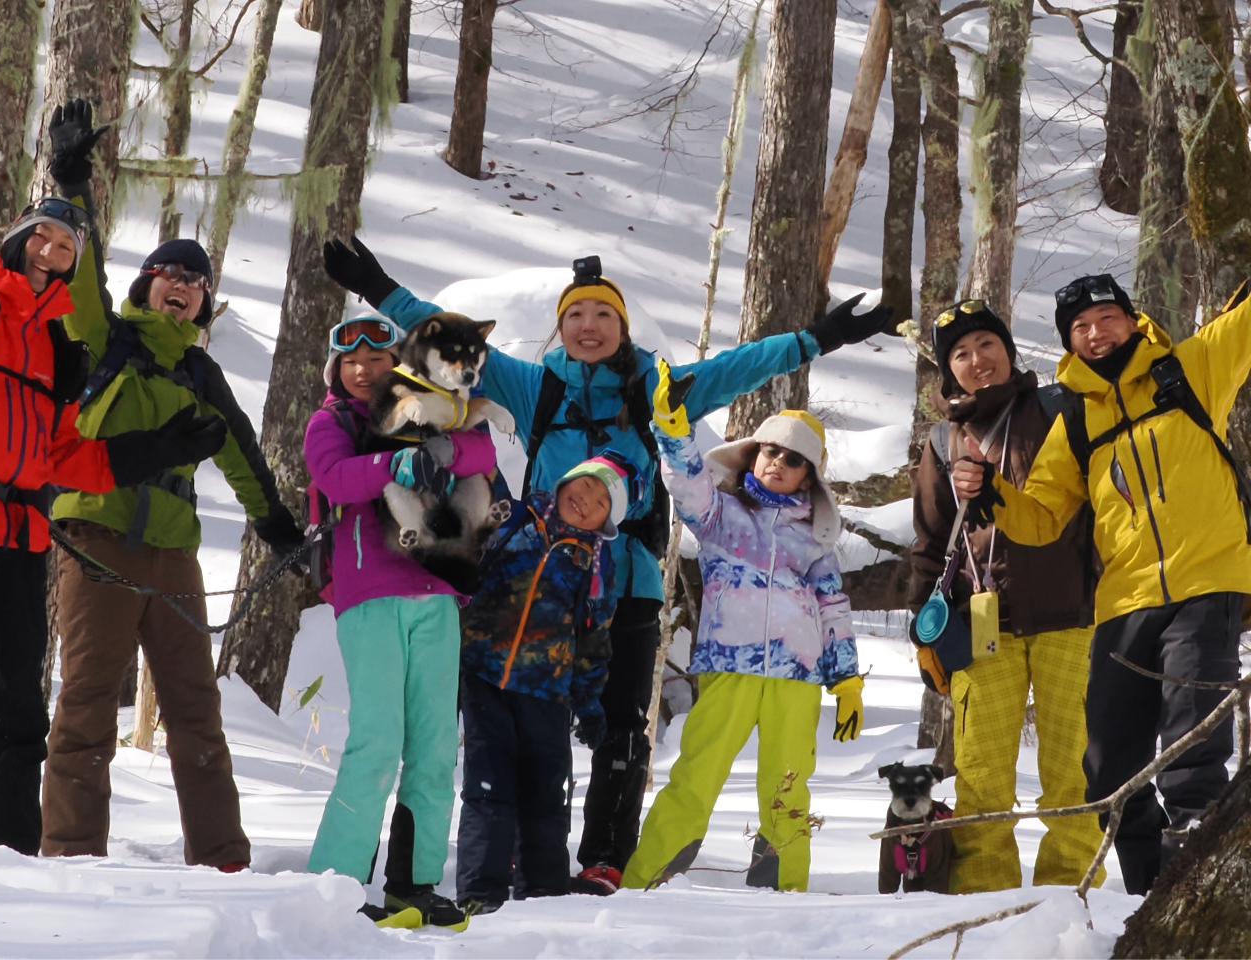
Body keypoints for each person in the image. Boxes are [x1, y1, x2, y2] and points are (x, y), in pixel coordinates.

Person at [322, 236, 893, 893]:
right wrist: (377, 284)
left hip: (628, 582)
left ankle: (604, 858)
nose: (589, 327)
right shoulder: (532, 385)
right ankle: (509, 851)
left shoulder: (655, 385)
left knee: (622, 728)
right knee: (530, 723)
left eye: (603, 316)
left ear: (621, 328)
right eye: (576, 316)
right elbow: (439, 332)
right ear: (560, 328)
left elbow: (740, 367)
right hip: (540, 588)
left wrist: (819, 336)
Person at [37, 101, 306, 870]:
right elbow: (81, 274)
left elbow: (243, 457)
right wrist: (73, 181)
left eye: (196, 279)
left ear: (205, 301)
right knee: (87, 706)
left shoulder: (201, 373)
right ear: (147, 285)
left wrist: (278, 526)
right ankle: (70, 855)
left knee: (196, 711)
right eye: (170, 274)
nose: (182, 286)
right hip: (95, 545)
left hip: (174, 559)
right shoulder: (105, 338)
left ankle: (223, 859)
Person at [0, 106, 227, 857]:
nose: (52, 251)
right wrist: (71, 185)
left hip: (20, 533)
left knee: (18, 705)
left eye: (66, 244)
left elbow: (65, 455)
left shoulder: (59, 349)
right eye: (41, 237)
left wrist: (150, 453)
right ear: (17, 241)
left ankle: (7, 858)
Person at [952, 274, 1251, 894]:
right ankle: (1152, 891)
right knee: (1108, 768)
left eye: (1105, 318)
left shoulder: (1191, 367)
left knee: (1192, 738)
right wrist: (993, 491)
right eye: (1079, 327)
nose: (1095, 333)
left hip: (1208, 579)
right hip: (1124, 599)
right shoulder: (1078, 420)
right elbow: (1039, 520)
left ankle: (1200, 865)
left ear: (1132, 319)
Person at [620, 377, 859, 893]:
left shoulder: (816, 537)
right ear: (752, 454)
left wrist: (846, 680)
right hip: (729, 666)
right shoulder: (720, 515)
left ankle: (785, 889)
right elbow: (685, 483)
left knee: (788, 788)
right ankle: (645, 882)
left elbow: (833, 606)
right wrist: (673, 429)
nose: (779, 462)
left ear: (807, 477)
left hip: (797, 676)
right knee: (696, 776)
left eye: (794, 460)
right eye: (770, 450)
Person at [304, 313, 497, 927]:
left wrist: (441, 447)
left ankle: (413, 885)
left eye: (378, 360)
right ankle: (332, 885)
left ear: (400, 362)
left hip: (438, 593)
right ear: (336, 370)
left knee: (437, 748)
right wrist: (397, 466)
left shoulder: (440, 402)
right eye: (351, 362)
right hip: (370, 594)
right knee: (378, 742)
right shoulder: (330, 421)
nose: (364, 371)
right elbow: (333, 476)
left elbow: (485, 446)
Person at [909, 300, 1103, 893]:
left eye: (987, 345)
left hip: (1072, 614)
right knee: (982, 774)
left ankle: (1068, 899)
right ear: (949, 373)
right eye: (961, 354)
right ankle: (982, 898)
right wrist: (925, 628)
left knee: (1073, 770)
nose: (977, 360)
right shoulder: (943, 441)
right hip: (981, 623)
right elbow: (929, 540)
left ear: (1009, 351)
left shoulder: (1061, 410)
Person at [455, 454, 632, 913]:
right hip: (483, 675)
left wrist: (589, 702)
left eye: (599, 502)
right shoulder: (515, 518)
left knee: (544, 793)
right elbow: (462, 565)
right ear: (563, 481)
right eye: (583, 486)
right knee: (488, 786)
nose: (585, 501)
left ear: (605, 521)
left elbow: (595, 637)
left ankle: (544, 893)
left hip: (548, 691)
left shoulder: (593, 560)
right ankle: (481, 893)